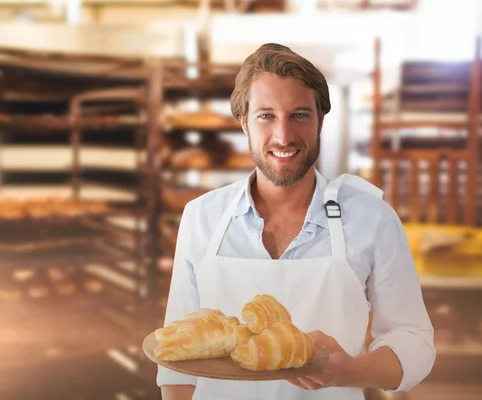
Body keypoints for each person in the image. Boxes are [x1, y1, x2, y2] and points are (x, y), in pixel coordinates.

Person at [156, 43, 435, 400]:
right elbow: (176, 359)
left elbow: (414, 341)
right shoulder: (202, 216)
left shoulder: (371, 219)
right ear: (243, 122)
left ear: (321, 119)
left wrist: (348, 371)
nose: (284, 137)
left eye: (299, 115)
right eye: (266, 116)